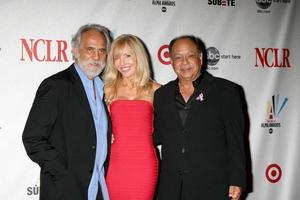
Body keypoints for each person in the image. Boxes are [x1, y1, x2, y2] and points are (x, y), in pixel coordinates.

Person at [22, 24, 112, 200]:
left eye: (102, 50)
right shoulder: (56, 86)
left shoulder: (104, 90)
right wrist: (62, 172)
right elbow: (32, 138)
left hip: (97, 187)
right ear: (76, 51)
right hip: (65, 190)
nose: (97, 56)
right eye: (90, 49)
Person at [153, 35, 247, 200]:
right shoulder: (161, 95)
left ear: (201, 58)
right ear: (171, 62)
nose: (184, 62)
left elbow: (236, 140)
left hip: (213, 185)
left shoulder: (226, 91)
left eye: (190, 55)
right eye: (178, 57)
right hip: (171, 187)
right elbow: (157, 134)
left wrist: (237, 180)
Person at [103, 34, 160, 200]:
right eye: (117, 57)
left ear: (139, 57)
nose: (122, 62)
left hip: (144, 163)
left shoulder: (157, 90)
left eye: (128, 55)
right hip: (115, 162)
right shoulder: (106, 90)